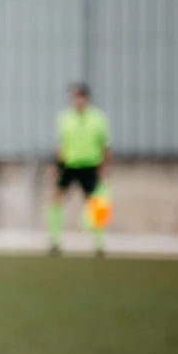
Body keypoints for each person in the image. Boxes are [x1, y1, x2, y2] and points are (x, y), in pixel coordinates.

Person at [48, 83, 110, 256]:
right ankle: (55, 240)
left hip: (90, 165)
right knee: (56, 199)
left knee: (96, 204)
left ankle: (99, 244)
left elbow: (104, 145)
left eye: (81, 96)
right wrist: (55, 165)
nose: (78, 100)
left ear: (87, 98)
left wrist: (105, 166)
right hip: (69, 165)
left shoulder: (98, 118)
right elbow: (60, 145)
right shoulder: (64, 118)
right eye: (75, 97)